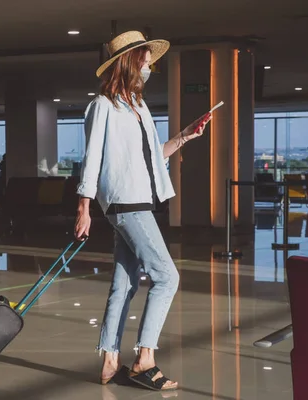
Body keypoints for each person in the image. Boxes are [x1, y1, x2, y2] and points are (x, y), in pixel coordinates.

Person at [74, 31, 212, 391]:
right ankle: (145, 358)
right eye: (147, 60)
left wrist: (184, 136)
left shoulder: (138, 107)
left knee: (124, 283)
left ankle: (109, 361)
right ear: (130, 62)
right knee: (167, 277)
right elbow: (91, 161)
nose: (151, 66)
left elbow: (153, 157)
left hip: (139, 200)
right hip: (126, 204)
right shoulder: (102, 105)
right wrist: (83, 207)